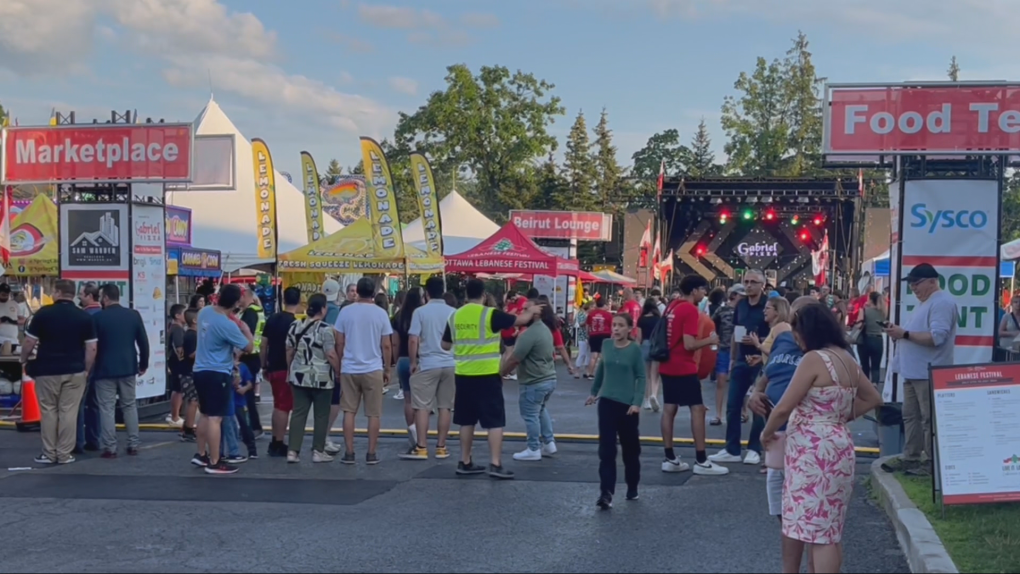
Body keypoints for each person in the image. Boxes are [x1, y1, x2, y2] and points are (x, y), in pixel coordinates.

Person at [761, 304, 883, 574]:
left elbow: (783, 406)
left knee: (818, 535)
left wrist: (765, 433)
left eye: (797, 332)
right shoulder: (846, 358)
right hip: (839, 443)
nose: (796, 338)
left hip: (811, 451)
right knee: (829, 527)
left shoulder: (814, 359)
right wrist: (838, 416)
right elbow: (874, 398)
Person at [442, 278, 542, 479]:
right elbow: (520, 321)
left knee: (466, 421)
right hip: (487, 375)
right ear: (484, 295)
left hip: (463, 375)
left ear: (465, 296)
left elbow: (445, 345)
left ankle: (465, 461)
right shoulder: (489, 314)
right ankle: (495, 464)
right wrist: (532, 310)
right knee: (494, 421)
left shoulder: (455, 316)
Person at [749, 296, 818, 573]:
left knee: (809, 514)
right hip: (777, 439)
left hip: (806, 439)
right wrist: (754, 393)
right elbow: (766, 375)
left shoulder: (820, 350)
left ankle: (815, 563)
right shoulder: (783, 340)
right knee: (782, 511)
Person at [884, 263, 957, 476]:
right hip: (915, 371)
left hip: (928, 371)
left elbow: (937, 337)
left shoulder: (941, 303)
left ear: (932, 281)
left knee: (927, 418)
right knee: (911, 416)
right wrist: (901, 333)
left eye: (917, 283)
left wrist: (904, 334)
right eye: (912, 284)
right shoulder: (926, 303)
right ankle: (912, 456)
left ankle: (929, 462)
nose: (913, 288)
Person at [20, 279, 97, 465]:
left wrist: (23, 359)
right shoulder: (84, 317)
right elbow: (92, 348)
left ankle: (48, 453)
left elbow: (29, 342)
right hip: (75, 371)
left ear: (57, 292)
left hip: (47, 370)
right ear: (72, 294)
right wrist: (86, 369)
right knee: (68, 412)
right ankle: (64, 454)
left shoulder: (43, 314)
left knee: (48, 411)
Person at [658, 274, 727, 476]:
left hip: (667, 363)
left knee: (669, 408)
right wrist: (710, 340)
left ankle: (669, 457)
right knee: (698, 409)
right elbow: (689, 344)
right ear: (695, 290)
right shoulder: (689, 310)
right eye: (703, 289)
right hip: (683, 366)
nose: (705, 293)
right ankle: (701, 459)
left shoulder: (672, 306)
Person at [190, 284, 254, 475]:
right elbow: (249, 347)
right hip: (218, 372)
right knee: (216, 418)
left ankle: (201, 454)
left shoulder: (205, 312)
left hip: (200, 370)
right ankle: (215, 461)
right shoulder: (226, 325)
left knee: (206, 414)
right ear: (235, 302)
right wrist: (245, 329)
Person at [587, 313, 646, 510]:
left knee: (630, 450)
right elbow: (602, 369)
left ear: (629, 329)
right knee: (606, 449)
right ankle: (606, 493)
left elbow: (641, 377)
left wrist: (637, 402)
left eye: (621, 326)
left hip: (628, 406)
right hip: (607, 402)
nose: (616, 329)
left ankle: (632, 487)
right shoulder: (606, 345)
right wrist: (594, 392)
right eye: (614, 325)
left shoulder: (635, 350)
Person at [711, 268, 770, 466]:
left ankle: (754, 448)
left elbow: (777, 334)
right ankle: (732, 448)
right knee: (733, 404)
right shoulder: (741, 305)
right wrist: (732, 359)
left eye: (753, 282)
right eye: (746, 281)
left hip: (761, 361)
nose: (749, 285)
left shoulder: (768, 306)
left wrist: (758, 343)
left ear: (762, 285)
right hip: (740, 359)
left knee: (758, 406)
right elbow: (735, 331)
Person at [335, 277, 392, 465]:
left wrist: (342, 360)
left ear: (357, 292)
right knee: (373, 413)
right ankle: (371, 453)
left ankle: (349, 452)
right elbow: (386, 344)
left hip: (350, 367)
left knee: (349, 411)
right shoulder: (381, 314)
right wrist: (386, 368)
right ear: (374, 293)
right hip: (373, 367)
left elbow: (340, 341)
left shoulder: (345, 312)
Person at [401, 277, 457, 460]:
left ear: (427, 293)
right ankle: (441, 447)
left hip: (428, 363)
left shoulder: (420, 312)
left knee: (422, 407)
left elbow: (413, 339)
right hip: (449, 363)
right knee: (445, 407)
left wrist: (412, 362)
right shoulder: (453, 312)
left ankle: (422, 447)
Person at [93, 284, 150, 458]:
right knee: (129, 405)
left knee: (107, 408)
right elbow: (143, 341)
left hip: (104, 368)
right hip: (128, 366)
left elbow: (92, 346)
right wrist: (143, 364)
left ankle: (110, 447)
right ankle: (133, 444)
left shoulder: (98, 318)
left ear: (106, 298)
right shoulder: (133, 315)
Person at [501, 298, 560, 462]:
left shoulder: (531, 333)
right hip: (548, 378)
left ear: (535, 314)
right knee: (540, 410)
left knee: (530, 414)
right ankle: (549, 443)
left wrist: (500, 374)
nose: (521, 314)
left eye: (525, 310)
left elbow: (514, 358)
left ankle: (533, 448)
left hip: (534, 380)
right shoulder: (545, 329)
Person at [286, 293, 341, 463]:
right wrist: (338, 372)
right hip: (321, 377)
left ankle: (293, 452)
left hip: (299, 375)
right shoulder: (326, 329)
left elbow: (289, 350)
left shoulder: (295, 325)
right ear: (323, 309)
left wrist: (290, 369)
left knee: (298, 414)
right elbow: (331, 354)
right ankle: (318, 451)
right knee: (321, 415)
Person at [261, 287, 300, 457]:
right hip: (288, 368)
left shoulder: (273, 319)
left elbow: (263, 344)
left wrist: (264, 365)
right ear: (299, 302)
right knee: (284, 407)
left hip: (274, 366)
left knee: (278, 404)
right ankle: (279, 442)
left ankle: (275, 440)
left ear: (283, 300)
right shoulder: (296, 324)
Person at [392, 287, 423, 449]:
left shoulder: (398, 316)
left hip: (402, 359)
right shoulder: (421, 315)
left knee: (408, 399)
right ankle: (421, 434)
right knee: (421, 402)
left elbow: (395, 342)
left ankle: (412, 429)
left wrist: (395, 359)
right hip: (419, 359)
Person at [75, 282, 103, 454]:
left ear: (89, 296)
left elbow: (88, 346)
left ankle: (78, 440)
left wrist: (85, 368)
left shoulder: (84, 317)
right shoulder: (103, 314)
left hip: (85, 364)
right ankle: (95, 438)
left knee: (78, 404)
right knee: (96, 404)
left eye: (82, 294)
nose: (79, 297)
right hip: (102, 365)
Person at [708, 285, 742, 426]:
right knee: (721, 381)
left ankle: (743, 412)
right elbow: (711, 324)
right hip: (724, 348)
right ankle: (718, 414)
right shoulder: (722, 310)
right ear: (734, 295)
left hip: (740, 350)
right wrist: (714, 340)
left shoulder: (744, 310)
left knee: (741, 382)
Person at [318, 280, 345, 454]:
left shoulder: (319, 308)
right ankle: (324, 437)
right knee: (334, 401)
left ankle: (321, 437)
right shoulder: (335, 310)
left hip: (315, 360)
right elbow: (336, 336)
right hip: (331, 359)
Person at [237, 286, 264, 437]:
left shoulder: (250, 312)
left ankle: (253, 427)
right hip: (253, 356)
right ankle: (252, 427)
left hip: (247, 356)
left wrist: (237, 355)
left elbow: (248, 336)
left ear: (243, 296)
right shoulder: (256, 310)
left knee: (246, 395)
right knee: (248, 394)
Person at [856, 291, 887, 384]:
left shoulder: (864, 310)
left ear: (870, 300)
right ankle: (875, 387)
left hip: (865, 340)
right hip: (878, 340)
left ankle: (866, 389)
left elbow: (858, 324)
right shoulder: (883, 312)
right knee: (876, 367)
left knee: (864, 365)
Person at [636, 298, 661, 412]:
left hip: (645, 344)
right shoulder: (658, 319)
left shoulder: (641, 320)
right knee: (655, 375)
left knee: (646, 375)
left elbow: (639, 337)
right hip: (656, 345)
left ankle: (646, 400)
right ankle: (654, 395)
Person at [166, 304, 188, 428]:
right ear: (177, 315)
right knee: (178, 389)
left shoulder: (175, 327)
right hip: (177, 362)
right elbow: (179, 348)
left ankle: (175, 415)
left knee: (178, 389)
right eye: (184, 313)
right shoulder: (177, 329)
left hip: (175, 362)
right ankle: (175, 416)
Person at [179, 309, 200, 443]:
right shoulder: (192, 335)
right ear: (194, 321)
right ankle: (188, 429)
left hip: (189, 372)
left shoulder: (192, 334)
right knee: (193, 401)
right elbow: (191, 354)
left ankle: (188, 425)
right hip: (189, 372)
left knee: (193, 400)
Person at [585, 297, 613, 378]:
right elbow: (611, 326)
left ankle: (589, 373)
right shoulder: (608, 315)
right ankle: (603, 374)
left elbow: (587, 326)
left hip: (593, 335)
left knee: (594, 355)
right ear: (604, 305)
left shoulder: (591, 314)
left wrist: (588, 334)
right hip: (605, 335)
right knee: (603, 356)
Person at [501, 292, 526, 381]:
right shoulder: (516, 304)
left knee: (506, 352)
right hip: (509, 331)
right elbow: (515, 316)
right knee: (509, 352)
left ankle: (502, 370)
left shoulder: (508, 306)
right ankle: (506, 372)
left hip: (506, 330)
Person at [573, 301, 591, 379]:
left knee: (588, 354)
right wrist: (588, 320)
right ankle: (577, 370)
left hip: (589, 336)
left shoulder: (590, 314)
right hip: (582, 336)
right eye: (592, 307)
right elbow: (580, 324)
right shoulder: (581, 314)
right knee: (582, 353)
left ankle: (586, 370)